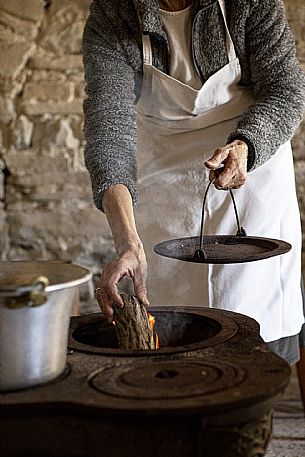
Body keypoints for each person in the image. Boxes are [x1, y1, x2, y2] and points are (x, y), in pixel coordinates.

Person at [82, 0, 305, 365]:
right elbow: (109, 129)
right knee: (176, 332)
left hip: (249, 166)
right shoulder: (115, 10)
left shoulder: (251, 3)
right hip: (165, 174)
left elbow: (285, 91)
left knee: (256, 315)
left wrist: (246, 147)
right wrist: (127, 242)